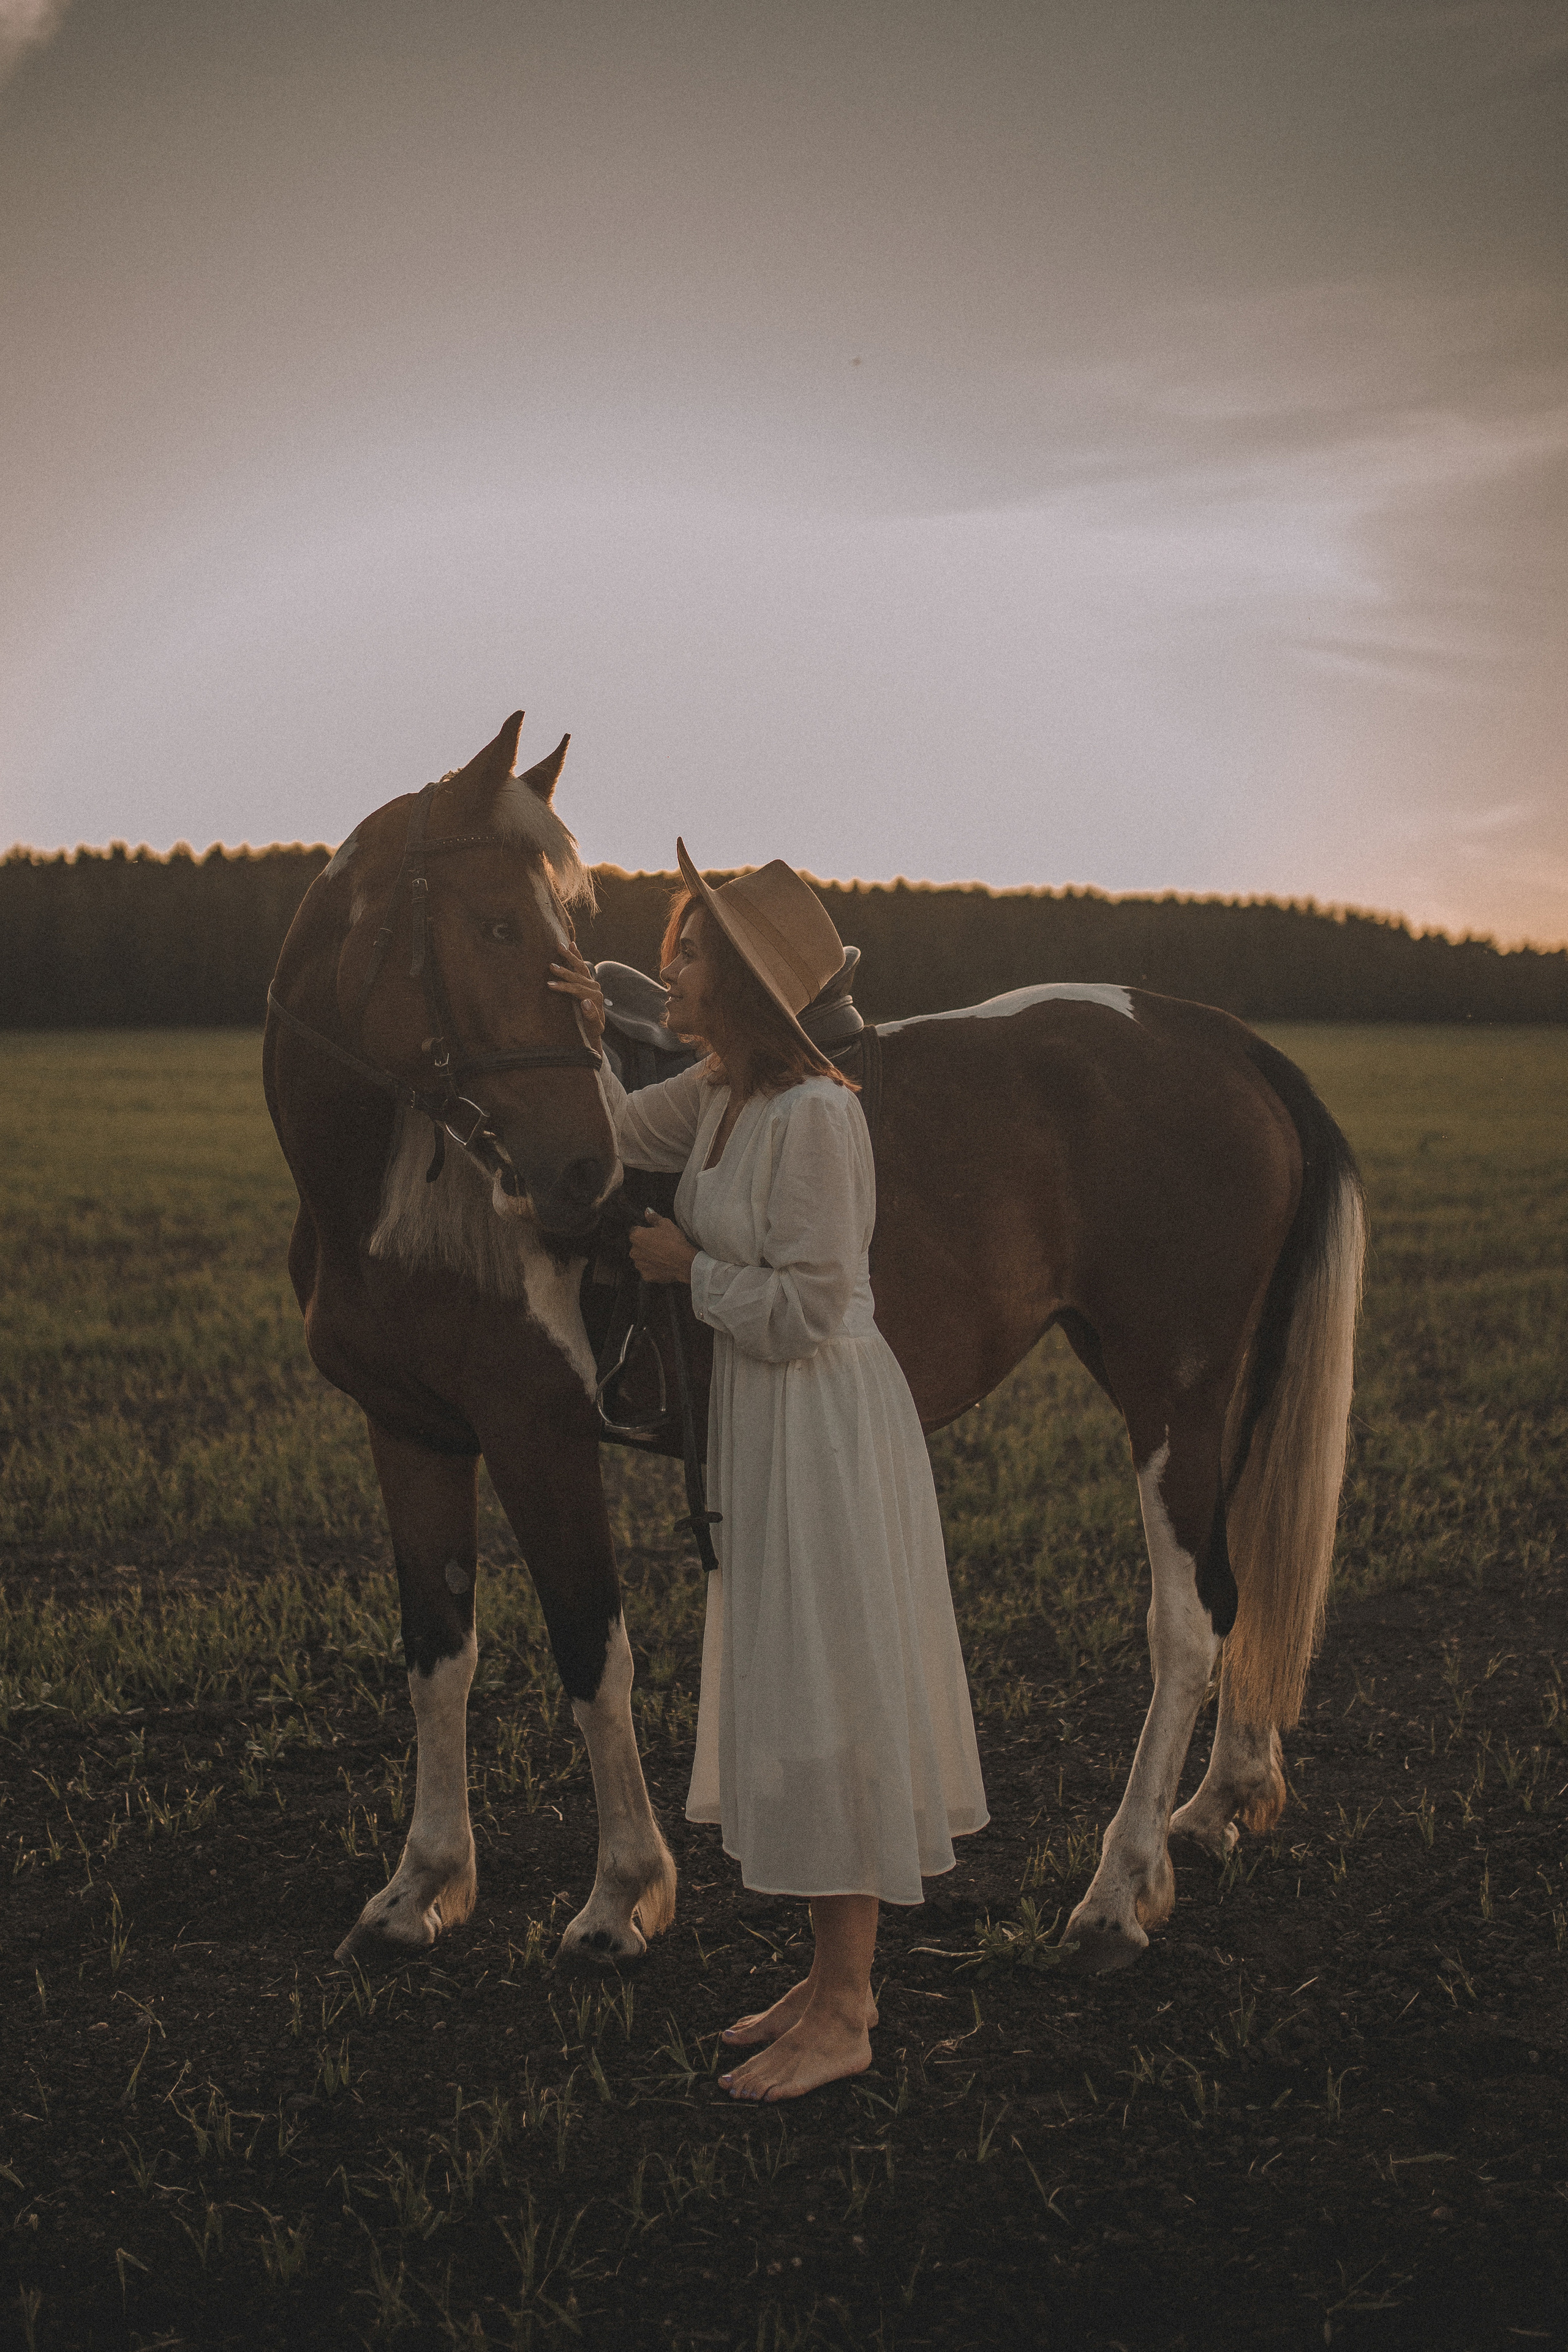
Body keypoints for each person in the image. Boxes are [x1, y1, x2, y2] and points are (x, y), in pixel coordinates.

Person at [549, 843, 987, 2100]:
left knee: (834, 1693)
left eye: (688, 953)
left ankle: (848, 2011)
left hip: (825, 1426)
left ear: (741, 984)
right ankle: (823, 1979)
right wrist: (580, 1026)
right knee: (799, 1689)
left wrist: (686, 1269)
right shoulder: (722, 1095)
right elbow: (612, 1127)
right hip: (769, 1424)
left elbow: (809, 1310)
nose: (668, 970)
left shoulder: (815, 1117)